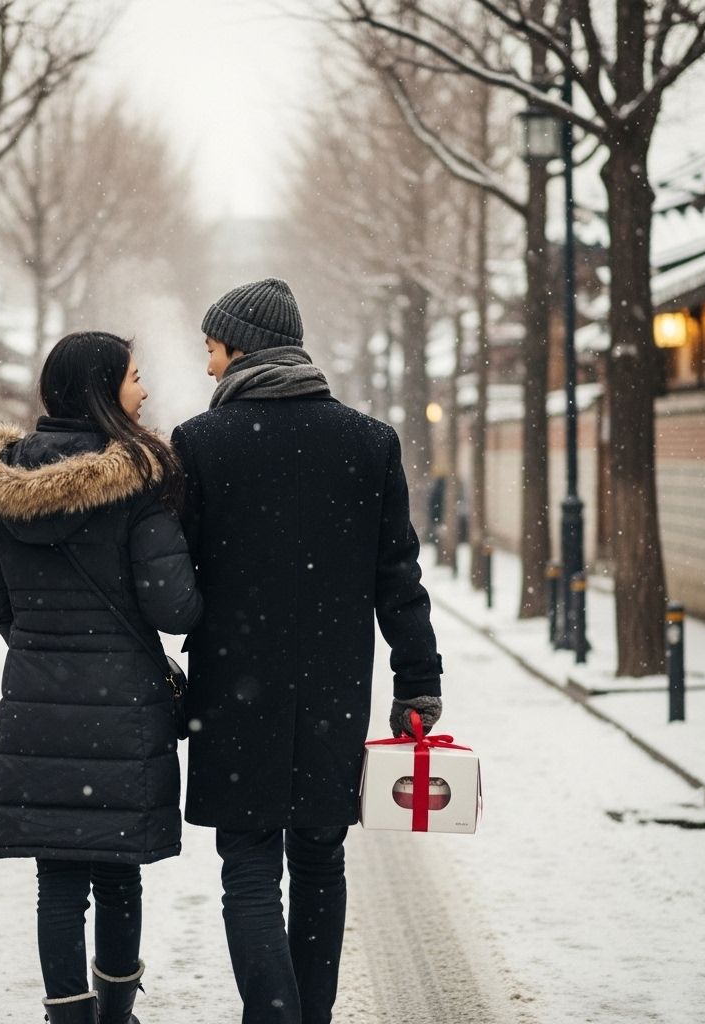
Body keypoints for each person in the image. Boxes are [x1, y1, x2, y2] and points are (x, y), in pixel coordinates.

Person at [170, 279, 443, 1024]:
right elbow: (398, 576)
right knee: (321, 859)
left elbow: (178, 581)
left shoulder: (200, 443)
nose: (208, 368)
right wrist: (418, 679)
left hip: (232, 689)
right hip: (332, 688)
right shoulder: (369, 440)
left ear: (243, 348)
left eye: (213, 349)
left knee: (249, 865)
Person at [0, 331, 203, 1024]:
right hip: (123, 705)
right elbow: (174, 607)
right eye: (133, 376)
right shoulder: (138, 484)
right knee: (118, 874)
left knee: (57, 881)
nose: (144, 390)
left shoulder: (1, 487)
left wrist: (51, 650)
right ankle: (116, 1014)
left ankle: (67, 1017)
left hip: (36, 702)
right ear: (101, 389)